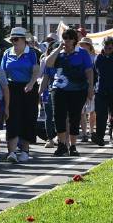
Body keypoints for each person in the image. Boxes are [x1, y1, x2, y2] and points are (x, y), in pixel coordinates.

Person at [44, 28, 95, 157]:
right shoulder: (59, 53)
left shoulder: (82, 53)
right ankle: (62, 145)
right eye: (64, 38)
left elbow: (89, 71)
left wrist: (90, 88)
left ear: (74, 40)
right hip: (59, 88)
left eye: (69, 38)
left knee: (74, 117)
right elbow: (48, 64)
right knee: (58, 116)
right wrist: (58, 49)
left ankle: (73, 146)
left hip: (78, 89)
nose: (66, 41)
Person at [1, 28, 41, 163]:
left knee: (27, 118)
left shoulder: (32, 53)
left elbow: (36, 70)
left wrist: (31, 83)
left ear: (24, 40)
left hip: (28, 88)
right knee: (11, 118)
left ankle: (24, 150)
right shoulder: (7, 53)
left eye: (16, 39)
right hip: (12, 88)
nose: (14, 42)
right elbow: (3, 72)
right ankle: (11, 152)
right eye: (12, 39)